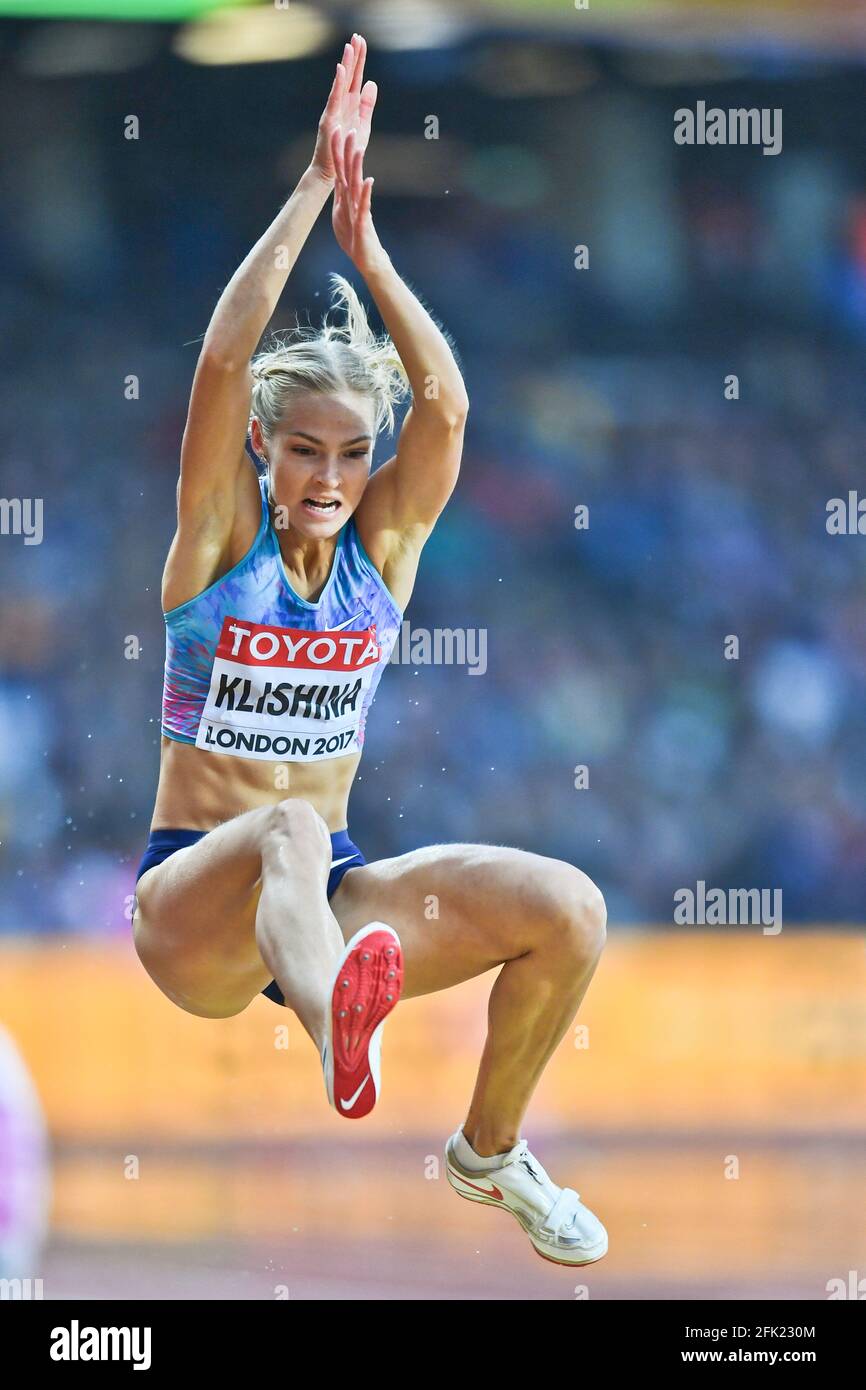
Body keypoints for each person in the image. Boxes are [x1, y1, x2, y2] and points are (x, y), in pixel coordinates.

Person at [132, 33, 608, 1266]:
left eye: (351, 453)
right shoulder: (215, 542)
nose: (331, 476)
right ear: (263, 450)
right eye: (304, 450)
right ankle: (341, 1029)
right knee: (284, 820)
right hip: (196, 903)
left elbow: (444, 410)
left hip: (333, 898)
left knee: (568, 908)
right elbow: (223, 361)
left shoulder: (380, 556)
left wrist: (369, 243)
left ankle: (488, 1152)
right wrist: (304, 194)